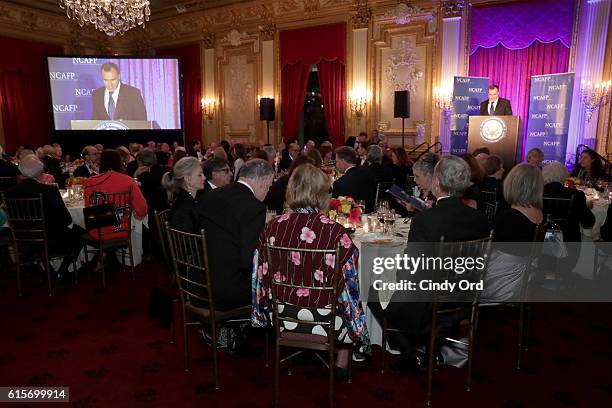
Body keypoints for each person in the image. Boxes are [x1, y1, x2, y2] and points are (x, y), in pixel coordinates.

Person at [372, 156, 490, 374]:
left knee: (372, 288)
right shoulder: (481, 220)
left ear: (436, 183)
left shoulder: (425, 220)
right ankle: (425, 350)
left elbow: (412, 271)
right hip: (465, 298)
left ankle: (411, 354)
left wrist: (389, 273)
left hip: (429, 304)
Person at [253, 164, 370, 376]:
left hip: (281, 316)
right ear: (321, 194)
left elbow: (259, 277)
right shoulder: (335, 232)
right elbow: (349, 287)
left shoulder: (272, 226)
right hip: (326, 319)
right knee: (349, 301)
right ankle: (342, 361)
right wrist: (359, 328)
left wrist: (261, 313)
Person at [197, 159, 274, 310]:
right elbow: (247, 262)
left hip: (199, 283)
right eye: (269, 186)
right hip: (228, 292)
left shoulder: (210, 195)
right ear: (263, 182)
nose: (268, 191)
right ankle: (258, 332)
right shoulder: (254, 207)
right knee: (277, 286)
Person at [5, 155, 82, 276]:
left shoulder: (9, 193)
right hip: (51, 240)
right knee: (79, 233)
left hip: (22, 241)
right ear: (41, 172)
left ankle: (50, 271)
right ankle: (62, 271)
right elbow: (66, 219)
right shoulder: (49, 191)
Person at [482, 163, 544, 302]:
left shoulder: (509, 218)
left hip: (500, 284)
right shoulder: (539, 214)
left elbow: (488, 252)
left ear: (513, 184)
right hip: (522, 282)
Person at [83, 150, 148, 241]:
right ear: (119, 162)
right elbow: (142, 210)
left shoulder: (89, 182)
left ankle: (103, 253)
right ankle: (129, 254)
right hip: (123, 230)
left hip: (97, 232)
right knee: (135, 225)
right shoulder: (128, 180)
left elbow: (88, 211)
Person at [542, 162, 595, 272]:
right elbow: (588, 223)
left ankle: (546, 276)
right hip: (569, 240)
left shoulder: (537, 193)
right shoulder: (576, 195)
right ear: (563, 176)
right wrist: (585, 206)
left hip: (541, 239)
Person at [163, 156, 204, 234]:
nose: (204, 177)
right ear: (188, 179)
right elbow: (186, 242)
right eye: (200, 175)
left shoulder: (186, 199)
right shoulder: (184, 207)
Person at [332, 146, 376, 213]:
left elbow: (336, 208)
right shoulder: (368, 173)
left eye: (337, 161)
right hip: (370, 214)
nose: (336, 165)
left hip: (351, 218)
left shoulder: (340, 183)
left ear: (342, 161)